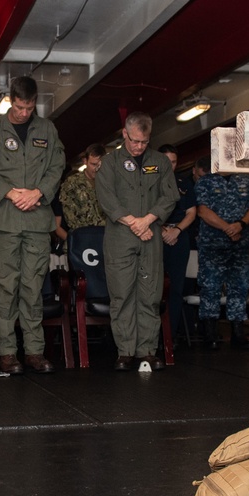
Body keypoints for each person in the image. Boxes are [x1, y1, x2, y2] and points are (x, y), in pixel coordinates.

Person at [0, 76, 65, 375]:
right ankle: (7, 352)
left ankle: (35, 352)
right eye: (19, 106)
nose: (24, 112)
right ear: (10, 100)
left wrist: (38, 192)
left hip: (38, 220)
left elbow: (57, 166)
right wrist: (11, 193)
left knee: (33, 286)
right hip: (6, 219)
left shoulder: (47, 129)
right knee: (7, 286)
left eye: (29, 107)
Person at [95, 112, 178, 371]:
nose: (138, 146)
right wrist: (135, 223)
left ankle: (147, 351)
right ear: (125, 134)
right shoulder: (110, 163)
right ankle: (125, 351)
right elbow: (107, 199)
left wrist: (148, 220)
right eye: (134, 141)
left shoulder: (160, 162)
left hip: (150, 235)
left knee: (150, 295)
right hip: (121, 236)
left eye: (144, 142)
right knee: (122, 294)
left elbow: (169, 196)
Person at [195, 160, 249, 350]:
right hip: (213, 246)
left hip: (240, 246)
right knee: (210, 288)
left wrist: (240, 224)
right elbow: (202, 210)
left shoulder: (246, 180)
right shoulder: (206, 182)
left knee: (240, 288)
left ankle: (238, 334)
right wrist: (228, 229)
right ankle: (210, 334)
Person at [158, 144, 196, 344]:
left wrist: (177, 231)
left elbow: (192, 212)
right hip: (155, 235)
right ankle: (151, 336)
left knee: (175, 288)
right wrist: (162, 230)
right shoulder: (148, 181)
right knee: (153, 287)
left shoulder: (184, 182)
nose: (170, 166)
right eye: (166, 161)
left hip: (179, 236)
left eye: (173, 162)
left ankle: (169, 337)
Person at [59, 143, 106, 232]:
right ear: (85, 161)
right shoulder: (72, 183)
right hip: (83, 235)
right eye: (93, 164)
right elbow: (70, 216)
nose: (96, 168)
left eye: (100, 165)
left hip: (107, 236)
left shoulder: (109, 182)